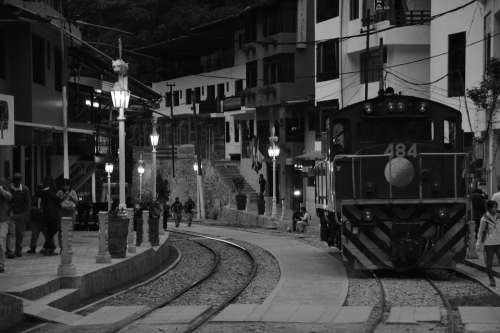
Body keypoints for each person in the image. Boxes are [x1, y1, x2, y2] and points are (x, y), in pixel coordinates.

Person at [476, 200, 500, 287]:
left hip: (499, 242)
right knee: (489, 264)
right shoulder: (484, 219)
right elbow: (480, 231)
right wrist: (478, 243)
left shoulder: (499, 216)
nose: (496, 209)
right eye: (494, 207)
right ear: (489, 208)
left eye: (496, 207)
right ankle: (491, 280)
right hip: (489, 243)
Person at [8, 173, 31, 257]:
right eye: (15, 180)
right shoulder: (10, 188)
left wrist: (27, 215)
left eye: (18, 180)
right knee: (11, 233)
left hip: (21, 214)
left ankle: (18, 250)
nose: (16, 182)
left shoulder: (25, 189)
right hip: (12, 213)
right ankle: (10, 251)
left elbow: (28, 203)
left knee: (20, 234)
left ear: (20, 181)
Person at [40, 178, 60, 256]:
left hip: (48, 214)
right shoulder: (49, 191)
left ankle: (49, 248)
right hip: (51, 214)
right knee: (52, 230)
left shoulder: (45, 191)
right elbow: (56, 199)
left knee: (50, 231)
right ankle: (47, 248)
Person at [56, 179, 78, 251]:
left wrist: (71, 197)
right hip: (62, 212)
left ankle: (68, 246)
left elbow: (77, 202)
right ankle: (62, 247)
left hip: (71, 212)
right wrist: (63, 197)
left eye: (67, 185)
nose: (66, 187)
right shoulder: (59, 192)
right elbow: (56, 202)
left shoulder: (73, 192)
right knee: (61, 229)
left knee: (70, 229)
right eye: (64, 185)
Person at [0, 178, 12, 273]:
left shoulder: (3, 187)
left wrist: (1, 190)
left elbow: (9, 196)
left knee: (1, 242)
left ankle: (1, 264)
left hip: (3, 220)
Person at [28, 185, 44, 254]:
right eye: (38, 189)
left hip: (43, 219)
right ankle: (33, 247)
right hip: (35, 219)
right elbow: (30, 206)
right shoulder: (34, 197)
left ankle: (49, 247)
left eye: (40, 189)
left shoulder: (45, 197)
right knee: (34, 235)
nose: (39, 190)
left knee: (47, 234)